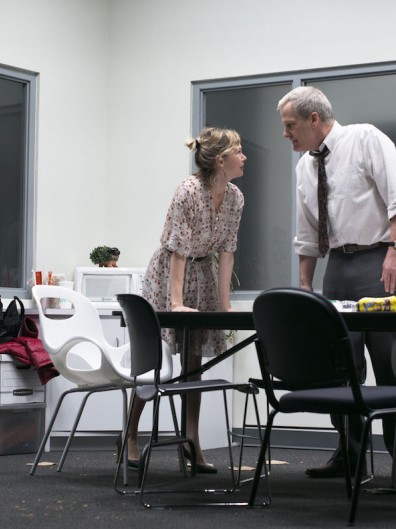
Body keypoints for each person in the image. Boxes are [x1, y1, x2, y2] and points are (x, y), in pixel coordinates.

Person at [278, 86, 396, 483]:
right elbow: (306, 232)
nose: (285, 134)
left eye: (290, 126)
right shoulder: (304, 167)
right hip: (338, 265)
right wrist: (306, 284)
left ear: (313, 120)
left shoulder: (366, 139)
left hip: (379, 259)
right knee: (340, 365)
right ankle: (350, 454)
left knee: (390, 360)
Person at [126, 126, 247, 473]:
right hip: (169, 274)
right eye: (239, 151)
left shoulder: (236, 198)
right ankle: (131, 433)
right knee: (154, 359)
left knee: (195, 362)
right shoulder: (188, 190)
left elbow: (227, 252)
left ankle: (191, 440)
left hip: (203, 274)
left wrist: (224, 306)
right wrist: (175, 302)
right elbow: (177, 248)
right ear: (221, 160)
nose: (244, 157)